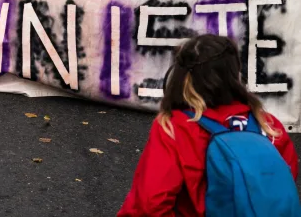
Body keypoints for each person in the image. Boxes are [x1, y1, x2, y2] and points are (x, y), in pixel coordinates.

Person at [118, 34, 298, 216]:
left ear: (181, 76)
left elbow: (151, 203)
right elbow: (282, 186)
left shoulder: (176, 127)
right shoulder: (268, 125)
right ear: (235, 74)